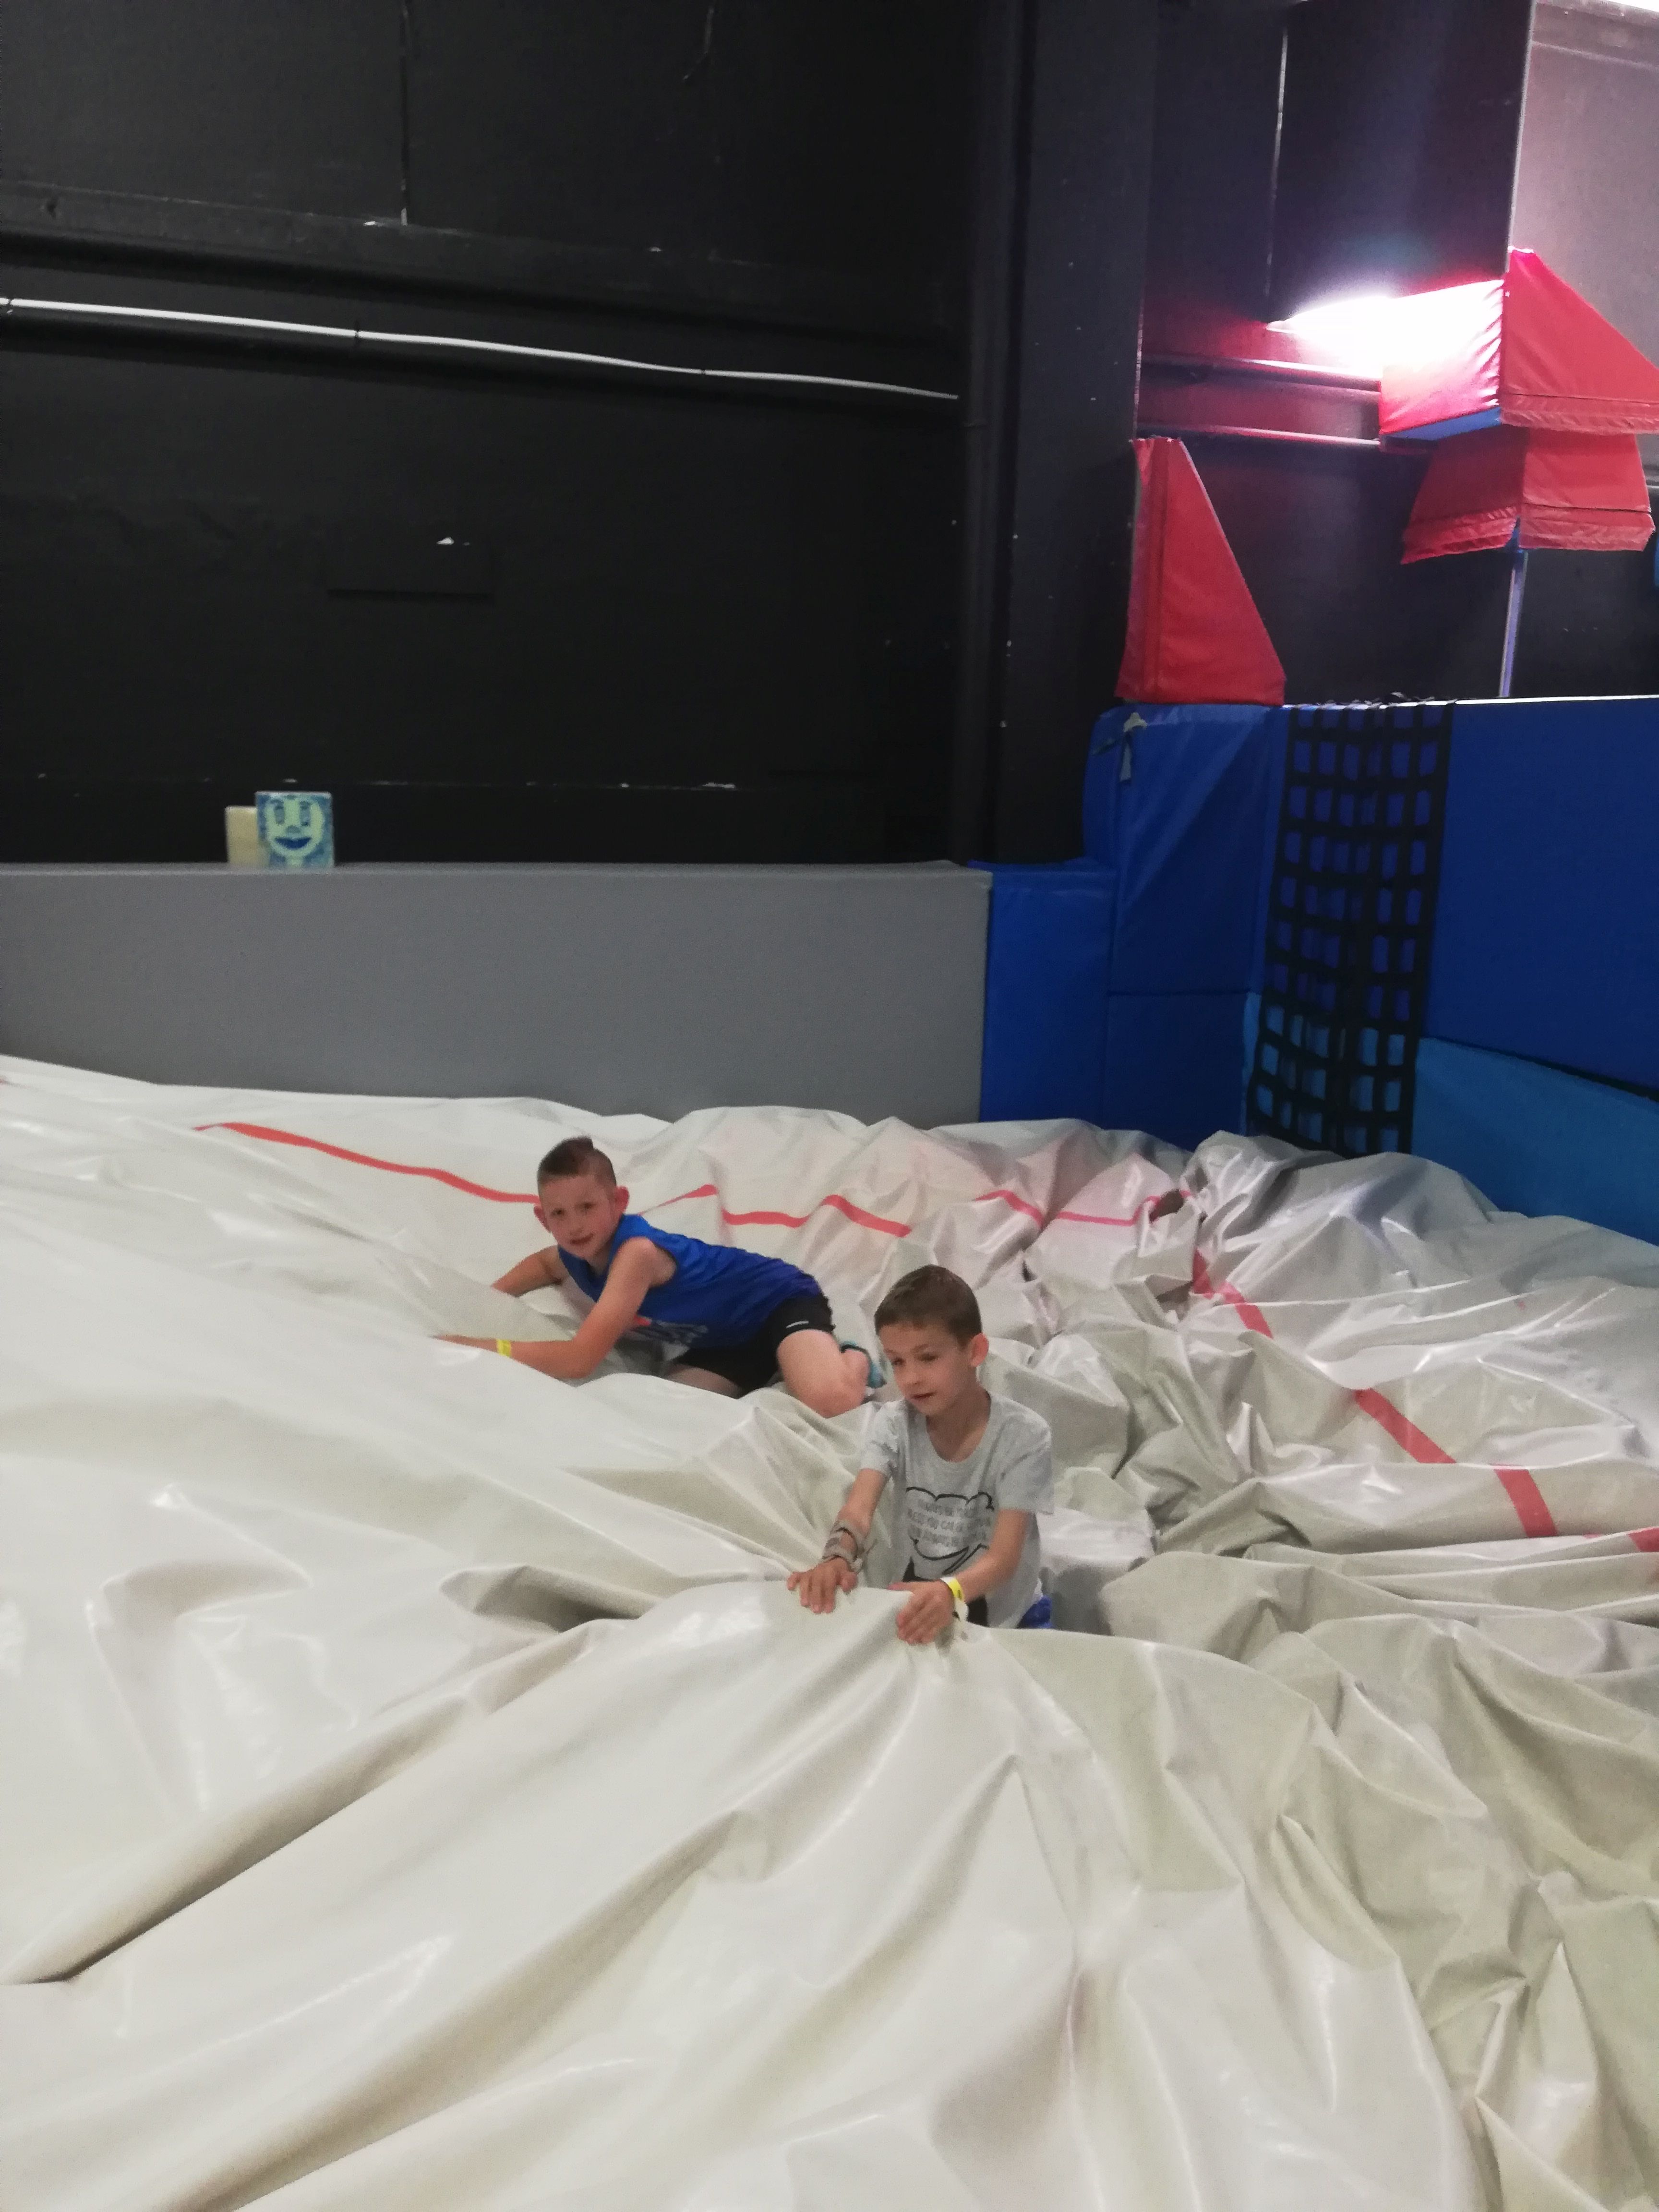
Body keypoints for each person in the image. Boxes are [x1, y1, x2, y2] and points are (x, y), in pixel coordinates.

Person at [449, 1136, 875, 1417]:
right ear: (543, 1220)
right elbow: (543, 1265)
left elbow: (581, 1359)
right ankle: (776, 1361)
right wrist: (489, 1296)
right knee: (663, 1411)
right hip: (726, 1340)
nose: (575, 1226)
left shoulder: (636, 1254)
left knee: (830, 1402)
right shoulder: (573, 1253)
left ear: (619, 1203)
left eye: (587, 1208)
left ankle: (852, 1354)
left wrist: (486, 1348)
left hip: (779, 1302)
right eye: (559, 1214)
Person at [788, 1264, 1053, 1644]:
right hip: (920, 1600)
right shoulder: (893, 1424)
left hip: (1011, 1616)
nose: (910, 1378)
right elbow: (858, 1510)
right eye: (897, 1362)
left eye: (927, 1357)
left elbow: (1003, 1559)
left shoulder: (1024, 1436)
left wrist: (951, 1592)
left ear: (975, 1350)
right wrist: (836, 1558)